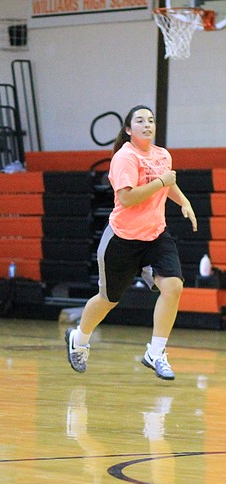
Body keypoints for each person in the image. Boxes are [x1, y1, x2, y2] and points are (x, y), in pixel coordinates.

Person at [65, 105, 197, 381]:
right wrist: (162, 181)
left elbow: (167, 184)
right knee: (107, 299)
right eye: (140, 120)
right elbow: (126, 198)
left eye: (151, 120)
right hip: (122, 239)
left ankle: (156, 352)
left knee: (173, 286)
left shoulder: (162, 154)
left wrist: (184, 201)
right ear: (128, 129)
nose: (147, 124)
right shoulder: (124, 157)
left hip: (155, 236)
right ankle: (78, 338)